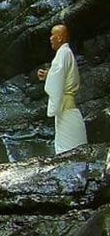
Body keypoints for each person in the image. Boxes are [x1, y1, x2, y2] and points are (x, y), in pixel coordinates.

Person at [37, 24, 87, 154]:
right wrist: (49, 75)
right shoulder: (66, 53)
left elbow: (57, 80)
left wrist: (50, 78)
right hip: (67, 106)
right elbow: (60, 76)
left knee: (68, 148)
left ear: (59, 38)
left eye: (52, 35)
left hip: (66, 107)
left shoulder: (63, 53)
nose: (50, 38)